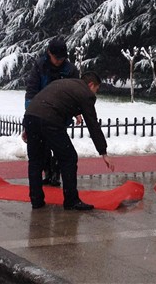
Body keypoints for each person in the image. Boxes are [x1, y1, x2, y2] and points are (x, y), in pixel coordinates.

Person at [23, 71, 114, 210]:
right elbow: (92, 124)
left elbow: (47, 102)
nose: (96, 93)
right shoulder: (85, 93)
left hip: (30, 117)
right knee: (69, 158)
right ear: (91, 85)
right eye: (96, 89)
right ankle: (71, 200)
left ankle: (36, 200)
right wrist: (103, 152)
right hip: (50, 120)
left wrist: (28, 128)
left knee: (35, 160)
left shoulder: (64, 83)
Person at [24, 38, 80, 187]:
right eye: (56, 58)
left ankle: (56, 173)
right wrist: (30, 116)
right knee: (41, 148)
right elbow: (31, 91)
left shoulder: (70, 70)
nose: (59, 61)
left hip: (60, 114)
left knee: (60, 147)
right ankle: (47, 172)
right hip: (40, 112)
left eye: (62, 58)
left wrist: (76, 111)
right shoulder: (40, 67)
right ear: (49, 53)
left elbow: (75, 93)